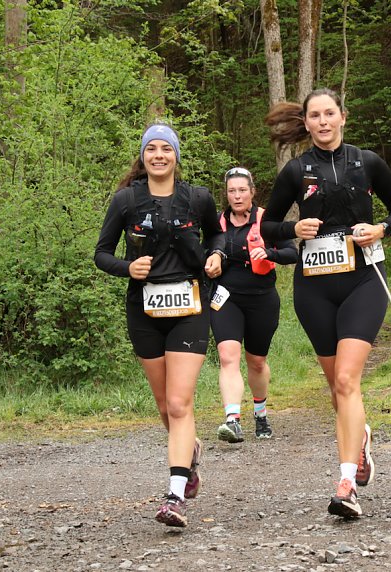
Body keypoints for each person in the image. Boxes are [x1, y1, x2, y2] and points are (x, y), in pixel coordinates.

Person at [261, 88, 391, 518]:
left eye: (330, 114)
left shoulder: (367, 162)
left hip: (364, 279)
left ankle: (346, 483)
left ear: (343, 117)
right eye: (315, 116)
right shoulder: (296, 170)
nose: (323, 122)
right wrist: (294, 229)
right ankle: (359, 437)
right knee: (337, 389)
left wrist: (381, 227)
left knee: (347, 380)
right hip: (315, 289)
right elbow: (268, 226)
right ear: (305, 123)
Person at [94, 123, 226, 528]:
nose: (158, 155)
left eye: (165, 149)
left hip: (189, 305)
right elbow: (101, 254)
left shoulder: (198, 198)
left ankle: (174, 495)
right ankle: (190, 452)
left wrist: (217, 257)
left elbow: (219, 237)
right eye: (151, 149)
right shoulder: (126, 200)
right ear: (143, 157)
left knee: (178, 403)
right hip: (145, 311)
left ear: (176, 156)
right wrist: (127, 267)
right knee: (164, 406)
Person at [210, 167, 298, 443]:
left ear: (252, 192)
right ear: (226, 194)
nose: (237, 196)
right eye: (232, 191)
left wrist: (268, 252)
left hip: (262, 298)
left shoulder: (267, 221)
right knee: (228, 356)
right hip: (226, 297)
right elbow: (198, 252)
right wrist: (208, 263)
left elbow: (291, 252)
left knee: (256, 361)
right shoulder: (215, 223)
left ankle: (260, 412)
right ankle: (232, 420)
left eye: (242, 190)